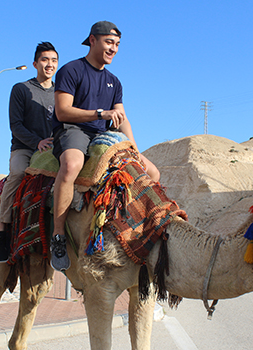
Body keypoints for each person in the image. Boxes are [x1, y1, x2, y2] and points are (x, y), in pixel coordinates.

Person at [50, 21, 160, 270]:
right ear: (92, 40)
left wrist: (134, 149)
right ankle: (58, 235)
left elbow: (122, 118)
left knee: (152, 172)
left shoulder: (115, 82)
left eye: (118, 44)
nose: (114, 49)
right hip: (74, 130)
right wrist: (100, 114)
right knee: (71, 165)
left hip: (103, 135)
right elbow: (63, 111)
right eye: (109, 42)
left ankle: (141, 234)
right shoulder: (71, 70)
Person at [0, 42, 59, 263]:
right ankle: (2, 230)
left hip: (51, 150)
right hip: (24, 147)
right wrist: (37, 141)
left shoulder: (61, 93)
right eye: (45, 60)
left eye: (53, 61)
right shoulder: (21, 89)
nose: (49, 65)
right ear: (35, 63)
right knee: (19, 173)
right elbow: (16, 125)